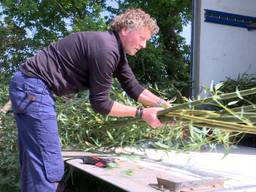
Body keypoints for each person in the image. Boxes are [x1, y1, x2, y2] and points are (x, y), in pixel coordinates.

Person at [9, 8, 169, 192]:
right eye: (142, 38)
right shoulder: (106, 49)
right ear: (125, 29)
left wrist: (164, 107)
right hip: (33, 90)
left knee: (35, 161)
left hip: (28, 87)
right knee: (49, 166)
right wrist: (142, 113)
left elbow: (134, 88)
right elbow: (101, 103)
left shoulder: (114, 50)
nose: (144, 45)